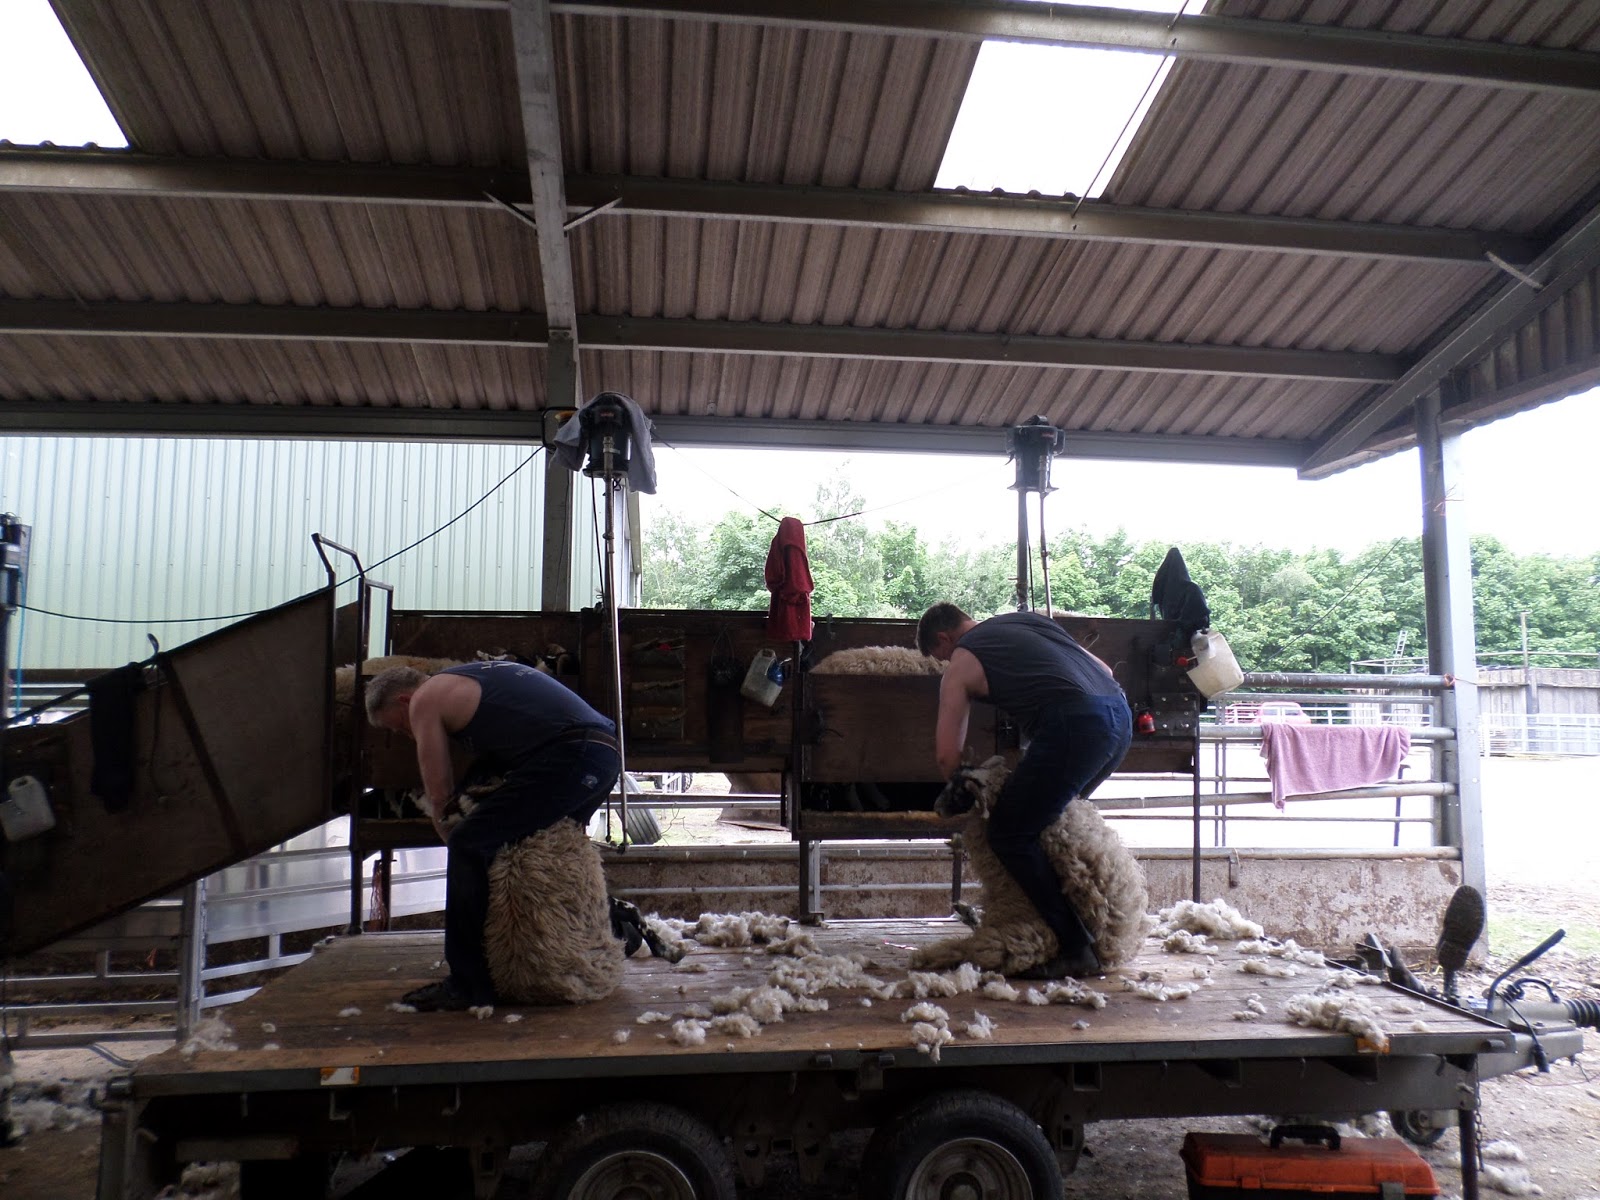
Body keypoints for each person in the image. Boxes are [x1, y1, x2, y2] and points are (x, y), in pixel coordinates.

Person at [365, 660, 619, 1011]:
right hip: (602, 754)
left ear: (405, 700)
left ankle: (467, 983)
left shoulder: (425, 699)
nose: (406, 735)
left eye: (398, 728)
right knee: (551, 848)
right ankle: (568, 955)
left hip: (572, 755)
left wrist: (451, 833)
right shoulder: (475, 679)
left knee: (470, 844)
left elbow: (440, 795)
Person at [917, 603, 1132, 980]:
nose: (948, 662)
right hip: (1118, 717)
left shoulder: (964, 659)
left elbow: (946, 755)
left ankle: (1075, 947)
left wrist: (960, 785)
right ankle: (1070, 930)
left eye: (943, 657)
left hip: (1075, 725)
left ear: (943, 638)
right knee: (1047, 826)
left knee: (1008, 833)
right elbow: (1105, 671)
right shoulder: (1029, 621)